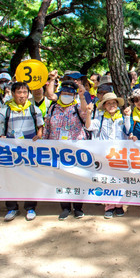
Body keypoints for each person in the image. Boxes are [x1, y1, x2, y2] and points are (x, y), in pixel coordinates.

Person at [0, 81, 44, 221]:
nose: (22, 96)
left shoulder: (34, 109)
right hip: (10, 150)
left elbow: (40, 125)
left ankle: (30, 208)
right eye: (19, 92)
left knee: (30, 178)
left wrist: (40, 134)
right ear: (12, 94)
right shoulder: (6, 109)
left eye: (25, 92)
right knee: (10, 178)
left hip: (29, 151)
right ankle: (12, 208)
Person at [43, 80, 91, 220]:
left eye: (70, 93)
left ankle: (78, 208)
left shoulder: (77, 107)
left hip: (75, 151)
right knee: (60, 179)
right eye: (64, 93)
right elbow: (47, 127)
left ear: (74, 95)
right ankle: (65, 208)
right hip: (57, 151)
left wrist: (82, 96)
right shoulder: (53, 108)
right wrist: (43, 144)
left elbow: (85, 113)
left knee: (76, 178)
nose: (67, 95)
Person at [86, 93, 131, 219]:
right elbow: (88, 126)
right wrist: (88, 113)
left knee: (119, 180)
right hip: (104, 155)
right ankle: (109, 206)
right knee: (106, 181)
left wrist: (127, 117)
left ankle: (119, 205)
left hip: (120, 155)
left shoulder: (122, 118)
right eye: (109, 103)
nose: (112, 105)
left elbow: (128, 130)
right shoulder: (100, 119)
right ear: (104, 106)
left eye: (114, 103)